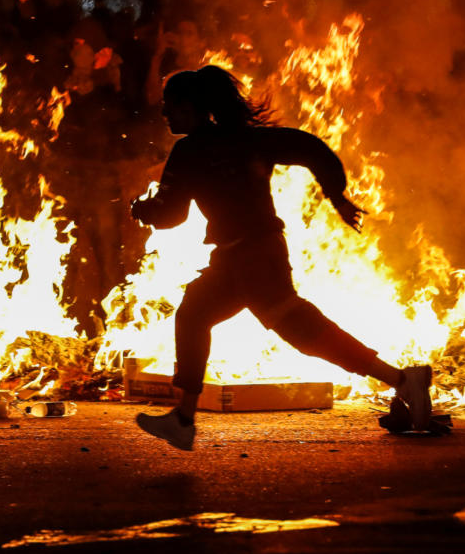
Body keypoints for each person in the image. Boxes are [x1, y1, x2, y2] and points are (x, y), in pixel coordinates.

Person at [130, 65, 432, 450]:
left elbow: (171, 215)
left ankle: (404, 381)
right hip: (244, 254)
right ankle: (183, 419)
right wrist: (335, 194)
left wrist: (144, 210)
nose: (165, 113)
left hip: (251, 256)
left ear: (192, 107)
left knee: (299, 330)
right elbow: (312, 149)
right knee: (194, 314)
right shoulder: (251, 140)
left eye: (170, 105)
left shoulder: (189, 150)